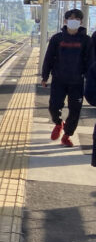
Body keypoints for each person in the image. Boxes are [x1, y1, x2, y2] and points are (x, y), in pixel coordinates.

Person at [41, 8, 92, 147]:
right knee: (53, 106)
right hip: (59, 80)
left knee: (75, 110)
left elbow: (90, 61)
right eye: (71, 19)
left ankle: (67, 135)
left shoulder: (86, 41)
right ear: (65, 21)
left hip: (77, 81)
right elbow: (49, 58)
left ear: (81, 22)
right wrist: (45, 76)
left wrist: (90, 80)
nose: (73, 21)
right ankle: (58, 123)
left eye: (76, 19)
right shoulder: (57, 39)